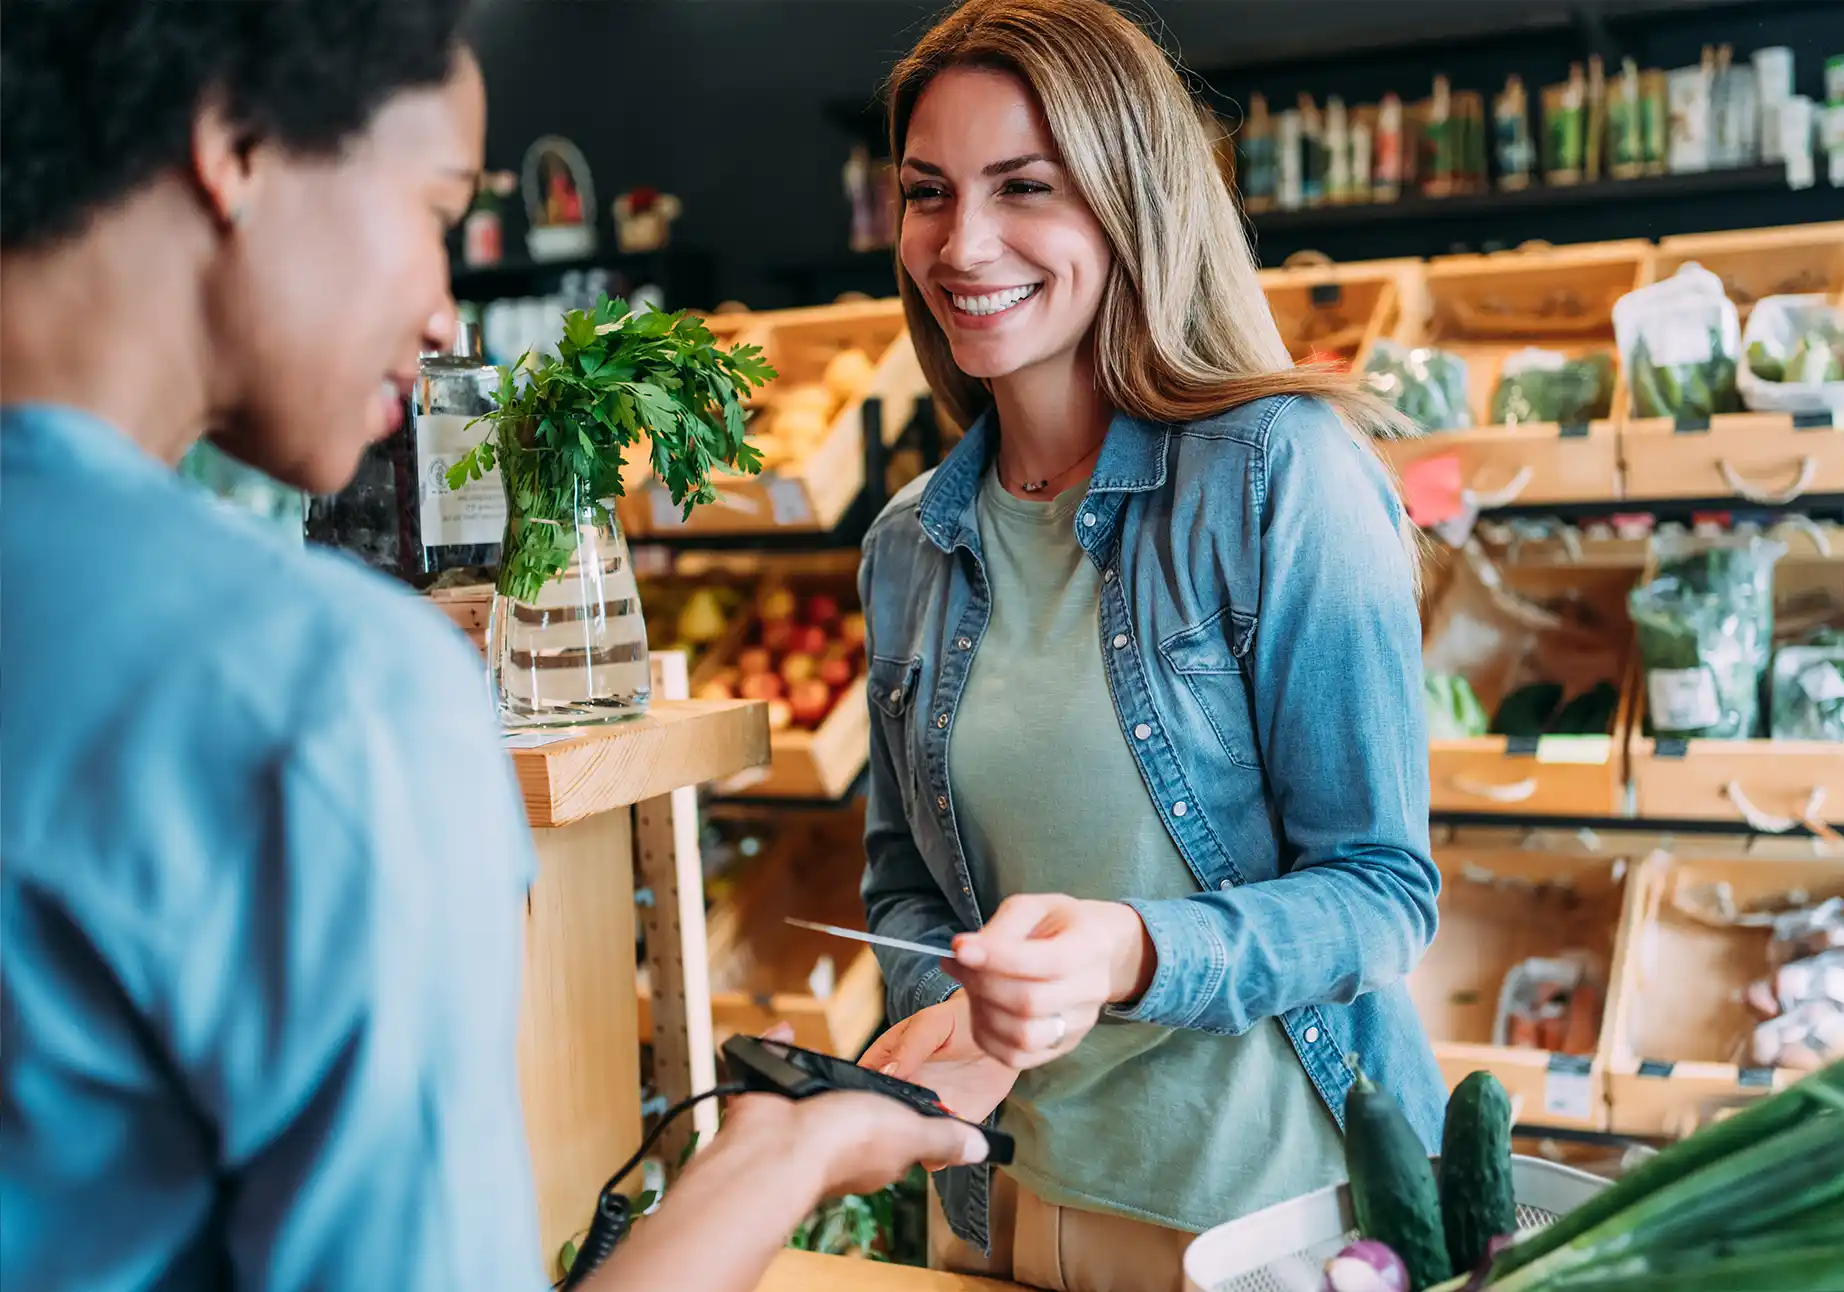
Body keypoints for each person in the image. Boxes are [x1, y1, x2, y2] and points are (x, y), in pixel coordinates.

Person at [0, 4, 983, 1291]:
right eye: (433, 212)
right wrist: (774, 1162)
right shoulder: (325, 694)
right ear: (235, 144)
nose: (440, 314)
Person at [853, 0, 1446, 1287]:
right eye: (926, 192)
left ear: (1129, 198)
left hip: (1270, 1224)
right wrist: (947, 1005)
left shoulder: (1278, 477)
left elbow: (1382, 893)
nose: (963, 243)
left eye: (1024, 188)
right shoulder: (911, 543)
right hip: (998, 1210)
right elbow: (904, 885)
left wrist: (1130, 951)